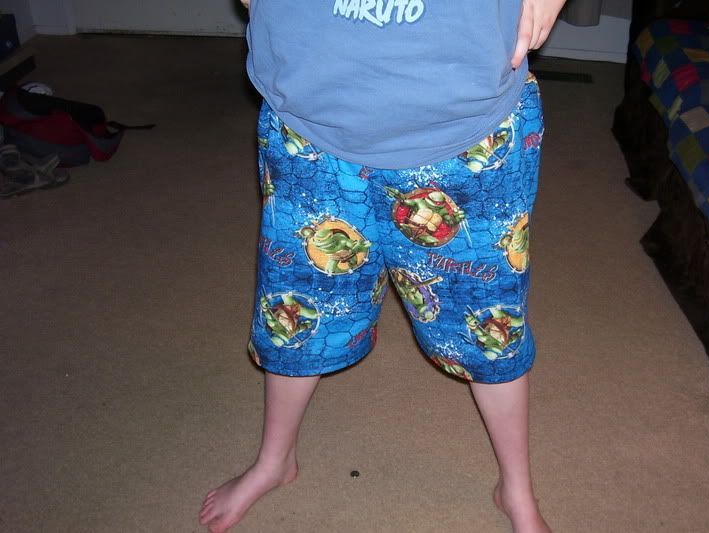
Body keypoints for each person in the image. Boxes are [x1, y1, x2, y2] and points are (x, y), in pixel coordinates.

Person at [200, 1, 567, 531]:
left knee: (488, 325)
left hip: (469, 133)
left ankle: (517, 487)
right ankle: (274, 460)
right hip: (308, 124)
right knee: (295, 307)